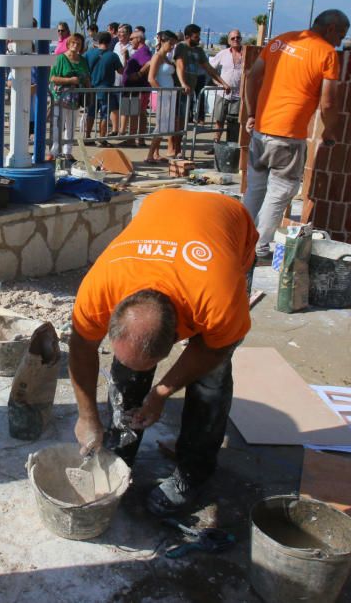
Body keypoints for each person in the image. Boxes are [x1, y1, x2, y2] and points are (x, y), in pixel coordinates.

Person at [68, 189, 257, 516]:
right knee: (127, 376)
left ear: (177, 336)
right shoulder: (98, 290)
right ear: (113, 316)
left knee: (211, 382)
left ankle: (192, 473)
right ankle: (121, 456)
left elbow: (214, 349)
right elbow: (81, 346)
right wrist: (87, 416)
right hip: (162, 204)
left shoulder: (218, 301)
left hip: (227, 224)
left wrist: (162, 392)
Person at [242, 9, 347, 262]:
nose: (341, 41)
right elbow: (329, 102)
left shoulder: (281, 40)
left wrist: (251, 113)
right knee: (280, 192)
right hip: (288, 135)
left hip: (261, 130)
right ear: (330, 28)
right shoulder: (327, 53)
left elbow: (252, 76)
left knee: (255, 188)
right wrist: (330, 130)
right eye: (341, 34)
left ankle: (240, 237)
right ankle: (260, 246)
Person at [173, 24, 229, 157]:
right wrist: (183, 83)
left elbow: (209, 68)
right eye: (196, 36)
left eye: (199, 36)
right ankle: (176, 150)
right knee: (178, 121)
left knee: (184, 121)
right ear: (187, 37)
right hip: (179, 89)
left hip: (190, 90)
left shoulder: (198, 51)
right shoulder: (181, 47)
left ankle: (179, 150)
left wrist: (223, 83)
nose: (199, 39)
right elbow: (179, 65)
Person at [48, 32, 90, 162]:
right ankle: (54, 152)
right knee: (57, 125)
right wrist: (70, 80)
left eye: (78, 43)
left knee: (71, 126)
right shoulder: (60, 58)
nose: (75, 45)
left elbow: (87, 76)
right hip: (60, 97)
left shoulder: (83, 60)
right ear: (68, 43)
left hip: (76, 98)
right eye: (73, 42)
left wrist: (88, 89)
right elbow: (53, 77)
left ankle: (67, 152)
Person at [146, 30, 179, 164]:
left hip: (169, 94)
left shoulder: (166, 58)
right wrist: (162, 92)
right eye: (170, 43)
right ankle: (150, 154)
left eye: (173, 44)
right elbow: (151, 78)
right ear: (163, 42)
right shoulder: (157, 57)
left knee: (164, 126)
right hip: (161, 94)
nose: (172, 46)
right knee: (161, 125)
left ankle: (156, 153)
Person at [207, 28, 244, 148]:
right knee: (219, 120)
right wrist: (218, 83)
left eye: (238, 37)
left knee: (234, 123)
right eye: (233, 38)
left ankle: (231, 146)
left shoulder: (246, 54)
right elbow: (210, 69)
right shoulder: (222, 54)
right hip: (222, 94)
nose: (236, 40)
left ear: (241, 39)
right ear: (229, 41)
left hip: (239, 95)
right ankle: (215, 145)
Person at [83, 31, 123, 143]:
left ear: (98, 41)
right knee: (104, 115)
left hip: (91, 88)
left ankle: (87, 137)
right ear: (110, 42)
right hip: (106, 89)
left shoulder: (89, 53)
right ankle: (101, 138)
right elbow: (121, 71)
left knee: (90, 113)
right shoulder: (113, 56)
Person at [122, 29, 152, 144]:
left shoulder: (143, 51)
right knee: (135, 112)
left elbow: (149, 63)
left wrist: (139, 74)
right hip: (133, 87)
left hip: (138, 88)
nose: (130, 42)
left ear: (139, 39)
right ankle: (137, 138)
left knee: (136, 113)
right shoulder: (139, 51)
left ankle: (133, 139)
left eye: (131, 39)